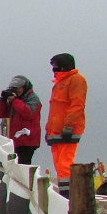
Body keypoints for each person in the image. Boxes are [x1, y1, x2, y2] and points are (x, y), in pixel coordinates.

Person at [45, 53, 88, 197]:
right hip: (56, 131)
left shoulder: (76, 80)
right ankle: (65, 192)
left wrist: (69, 126)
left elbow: (77, 105)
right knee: (59, 164)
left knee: (65, 163)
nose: (54, 70)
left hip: (67, 130)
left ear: (64, 66)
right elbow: (54, 110)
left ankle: (69, 194)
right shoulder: (58, 84)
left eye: (55, 67)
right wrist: (48, 130)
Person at [0, 75, 42, 164]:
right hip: (15, 140)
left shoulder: (33, 99)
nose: (17, 91)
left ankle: (24, 178)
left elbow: (28, 113)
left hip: (27, 141)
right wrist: (3, 100)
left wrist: (14, 101)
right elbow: (0, 114)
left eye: (19, 88)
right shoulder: (15, 101)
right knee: (13, 167)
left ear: (25, 87)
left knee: (22, 166)